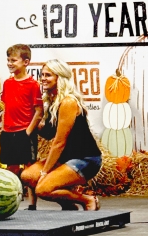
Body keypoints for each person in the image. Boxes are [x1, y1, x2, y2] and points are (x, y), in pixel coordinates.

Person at [21, 59, 102, 211]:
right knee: (28, 176)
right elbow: (49, 134)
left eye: (48, 75)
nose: (43, 78)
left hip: (84, 159)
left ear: (60, 78)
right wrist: (32, 123)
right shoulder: (53, 102)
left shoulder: (68, 102)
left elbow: (59, 142)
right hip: (66, 158)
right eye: (42, 75)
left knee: (42, 189)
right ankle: (68, 205)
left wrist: (45, 172)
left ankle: (86, 200)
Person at [0, 44, 44, 209]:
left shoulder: (33, 84)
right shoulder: (7, 83)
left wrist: (28, 131)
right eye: (8, 60)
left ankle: (32, 204)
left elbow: (39, 111)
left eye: (14, 60)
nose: (10, 63)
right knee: (10, 167)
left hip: (24, 131)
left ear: (26, 62)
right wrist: (4, 128)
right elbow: (6, 106)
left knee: (28, 168)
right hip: (8, 132)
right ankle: (11, 201)